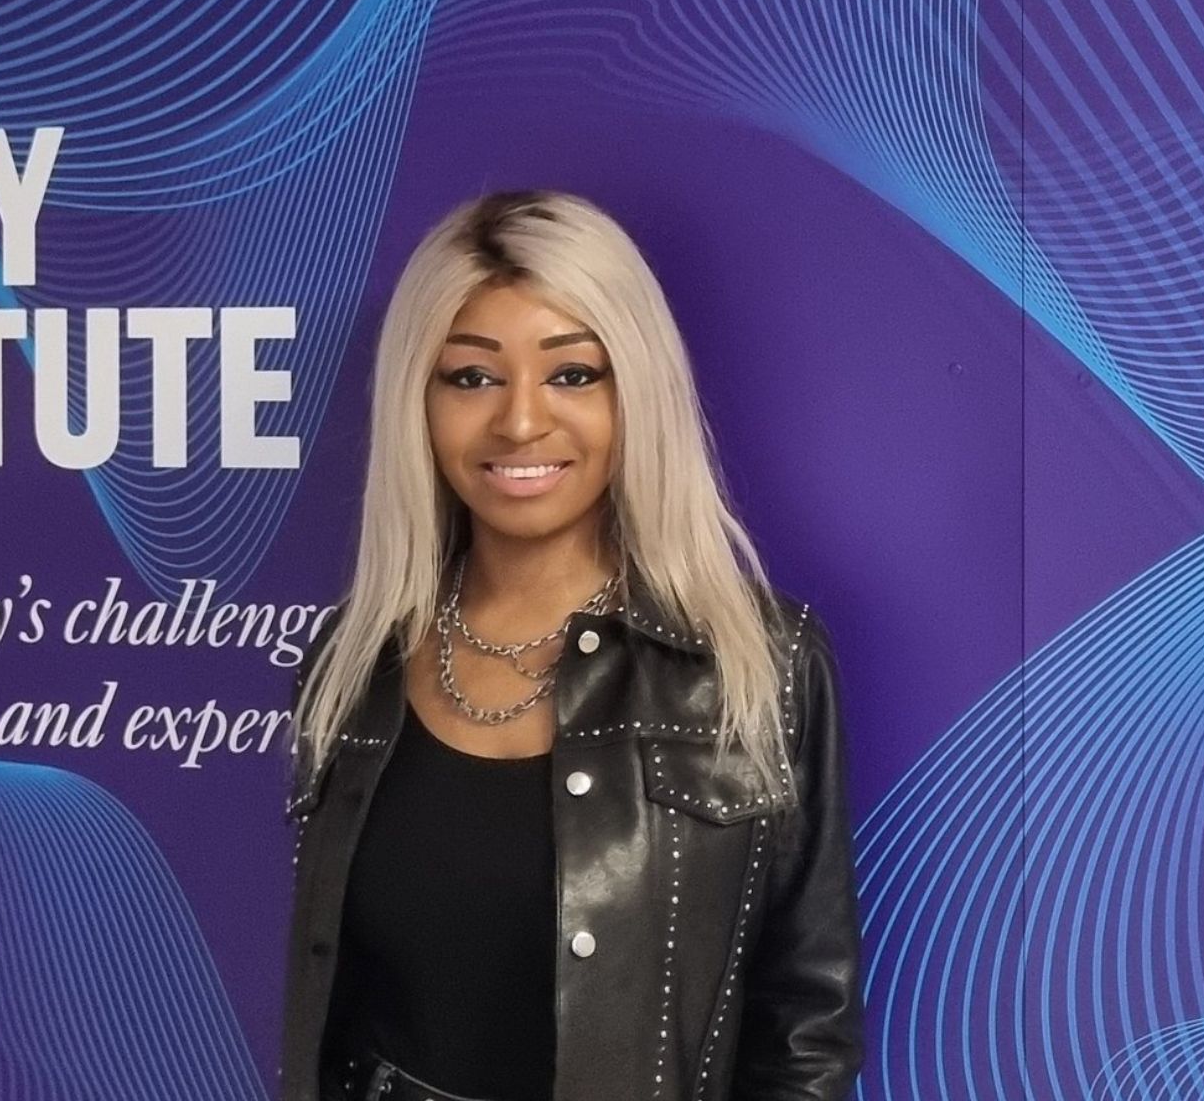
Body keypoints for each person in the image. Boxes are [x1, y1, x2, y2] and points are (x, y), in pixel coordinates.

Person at [279, 190, 862, 1101]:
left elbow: (806, 1031)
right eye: (470, 376)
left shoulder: (762, 665)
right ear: (415, 402)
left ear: (637, 392)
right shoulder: (350, 664)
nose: (518, 422)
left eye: (572, 374)